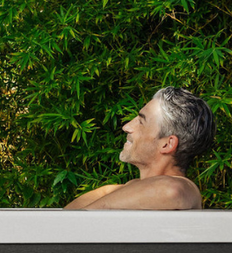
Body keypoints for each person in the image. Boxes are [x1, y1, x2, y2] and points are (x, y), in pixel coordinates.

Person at [64, 87, 215, 210]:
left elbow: (170, 190)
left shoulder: (185, 188)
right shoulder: (122, 190)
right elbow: (62, 221)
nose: (126, 127)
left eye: (141, 122)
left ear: (167, 144)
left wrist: (87, 217)